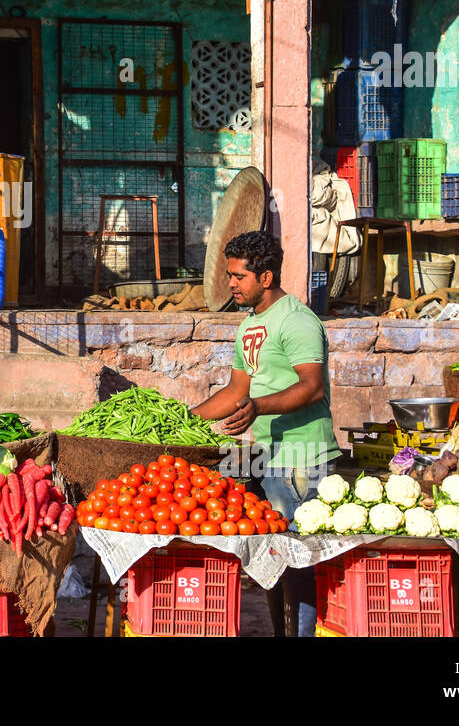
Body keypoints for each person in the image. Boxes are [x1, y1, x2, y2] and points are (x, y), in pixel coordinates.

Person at [192, 230, 341, 637]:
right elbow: (237, 392)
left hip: (303, 458)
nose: (231, 283)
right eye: (230, 274)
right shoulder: (250, 324)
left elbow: (312, 386)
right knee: (273, 560)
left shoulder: (296, 320)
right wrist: (184, 419)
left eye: (239, 276)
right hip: (268, 456)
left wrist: (259, 407)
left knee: (300, 562)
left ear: (266, 277)